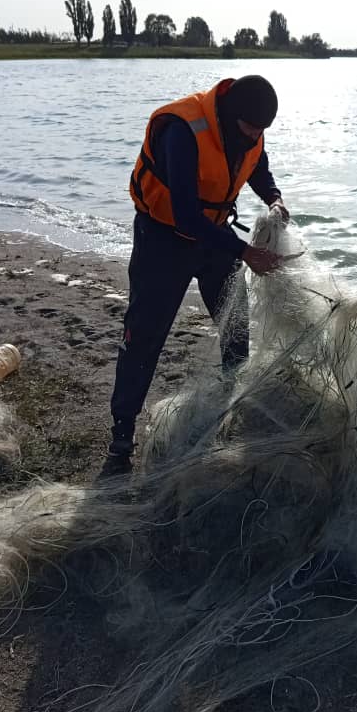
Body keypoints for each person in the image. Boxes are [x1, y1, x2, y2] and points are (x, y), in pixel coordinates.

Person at [101, 74, 289, 475]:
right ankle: (122, 431)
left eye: (261, 130)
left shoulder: (249, 127)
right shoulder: (182, 130)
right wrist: (245, 251)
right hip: (164, 239)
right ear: (229, 115)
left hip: (215, 239)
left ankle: (232, 405)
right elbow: (186, 213)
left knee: (235, 325)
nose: (255, 135)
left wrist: (274, 198)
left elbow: (258, 169)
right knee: (145, 334)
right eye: (250, 128)